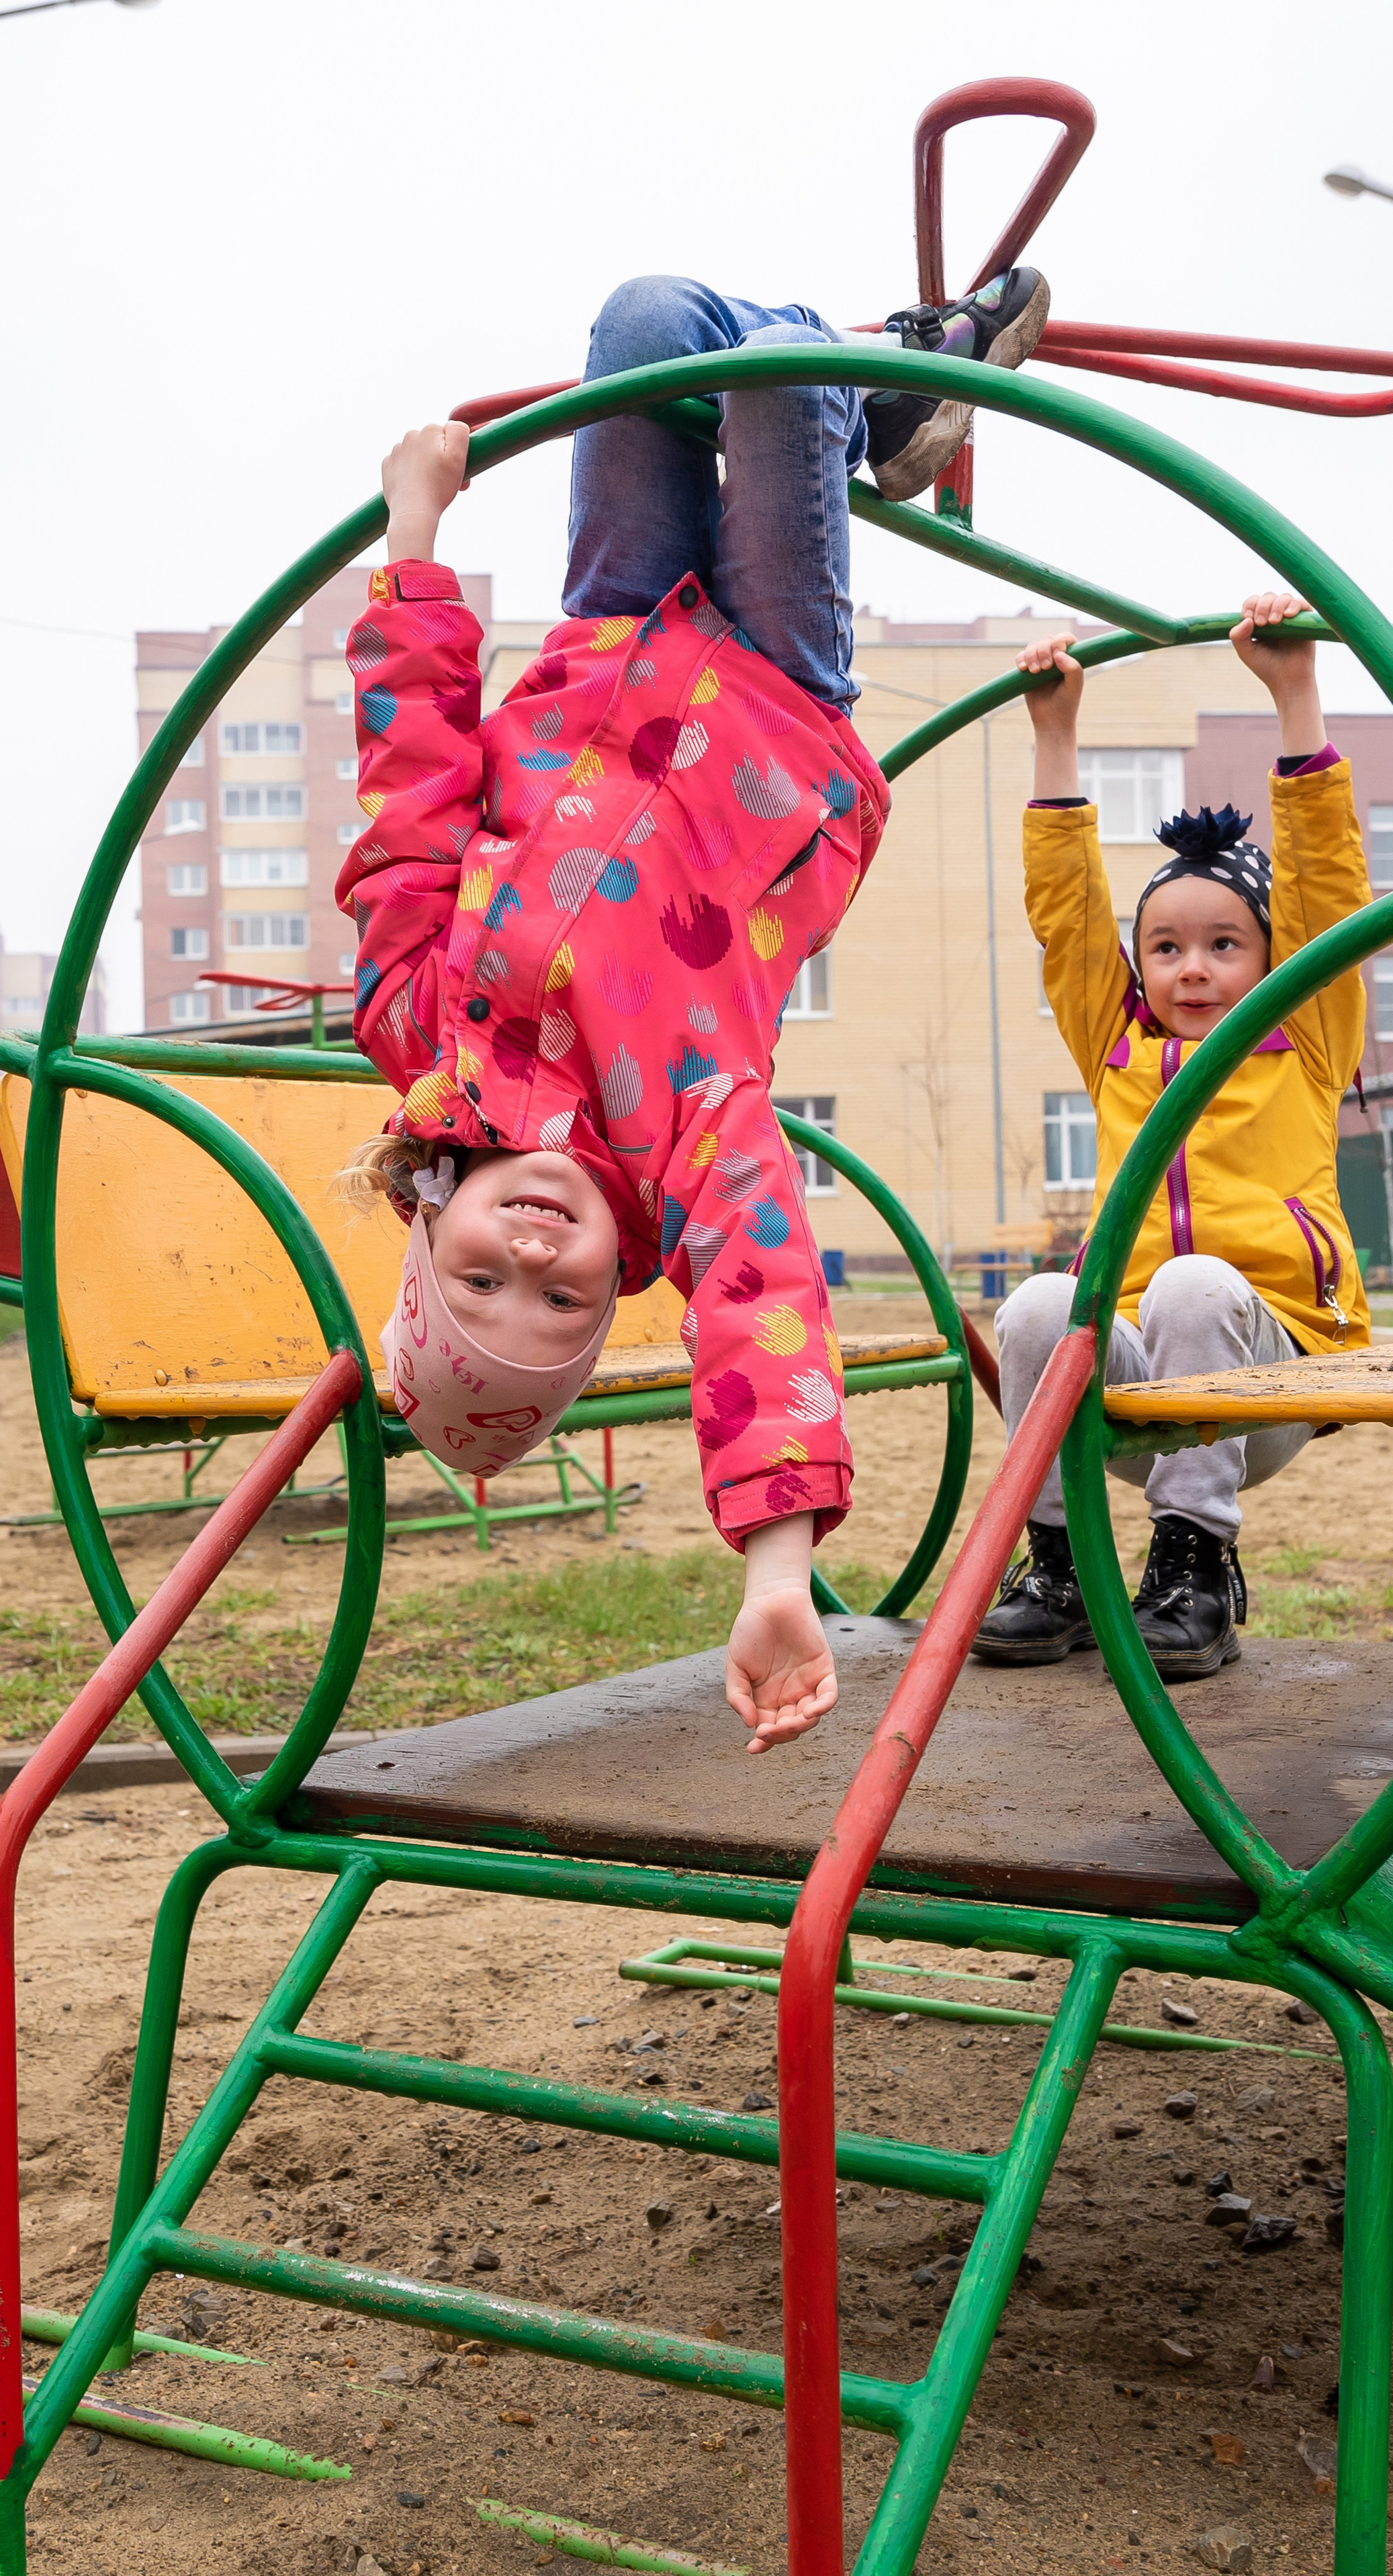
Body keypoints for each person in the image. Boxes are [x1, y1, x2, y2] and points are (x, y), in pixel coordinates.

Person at [334, 267, 1050, 1750]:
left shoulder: (415, 1024)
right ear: (612, 1287)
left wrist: (412, 543)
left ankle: (897, 392)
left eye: (480, 1286)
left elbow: (407, 800)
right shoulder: (689, 1141)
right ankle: (885, 388)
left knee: (648, 323)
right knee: (786, 366)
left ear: (423, 1240)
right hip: (782, 707)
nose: (529, 1259)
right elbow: (760, 1317)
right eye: (562, 1302)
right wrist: (774, 1567)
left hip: (604, 642)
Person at [973, 594, 1371, 1681]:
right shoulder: (1113, 1042)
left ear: (1271, 955)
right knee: (1041, 1303)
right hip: (1141, 1372)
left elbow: (1334, 886)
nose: (1194, 968)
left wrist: (1295, 695)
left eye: (1225, 944)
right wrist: (1056, 733)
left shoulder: (1308, 1031)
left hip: (1273, 1365)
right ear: (1139, 963)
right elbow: (1064, 913)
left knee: (1197, 1280)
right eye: (1167, 947)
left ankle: (1196, 1568)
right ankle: (1053, 1564)